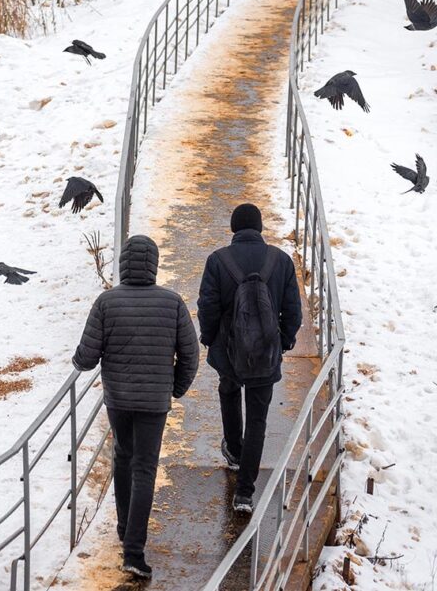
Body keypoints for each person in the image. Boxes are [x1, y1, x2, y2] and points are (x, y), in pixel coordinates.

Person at [73, 235, 199, 579]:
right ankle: (134, 550)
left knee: (122, 458)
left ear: (124, 263)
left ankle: (124, 528)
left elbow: (85, 359)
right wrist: (174, 388)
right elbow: (190, 355)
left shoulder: (106, 303)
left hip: (119, 400)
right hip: (154, 403)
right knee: (145, 468)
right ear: (154, 265)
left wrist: (81, 355)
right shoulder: (172, 303)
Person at [196, 203, 302, 514]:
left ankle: (235, 450)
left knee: (228, 392)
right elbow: (292, 311)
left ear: (233, 228)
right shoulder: (280, 261)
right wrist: (282, 342)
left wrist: (210, 339)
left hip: (229, 352)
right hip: (266, 354)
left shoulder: (218, 261)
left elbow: (208, 307)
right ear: (259, 228)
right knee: (258, 419)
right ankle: (244, 491)